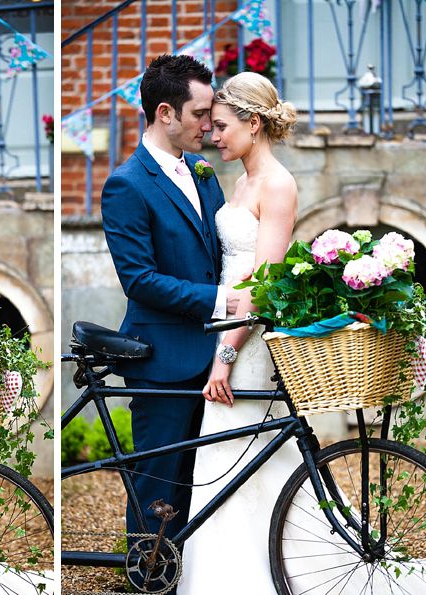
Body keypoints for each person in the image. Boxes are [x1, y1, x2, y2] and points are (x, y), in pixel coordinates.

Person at [100, 54, 240, 559]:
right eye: (201, 113)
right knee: (160, 481)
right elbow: (139, 280)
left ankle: (193, 574)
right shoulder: (126, 184)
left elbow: (221, 251)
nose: (211, 124)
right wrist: (221, 299)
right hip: (162, 358)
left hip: (219, 353)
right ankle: (148, 576)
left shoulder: (202, 172)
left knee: (203, 478)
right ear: (165, 113)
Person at [177, 71, 300, 594]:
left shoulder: (276, 184)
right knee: (222, 456)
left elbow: (265, 279)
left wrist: (226, 354)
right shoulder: (238, 181)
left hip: (243, 339)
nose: (213, 134)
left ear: (254, 123)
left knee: (247, 452)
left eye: (223, 125)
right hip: (222, 326)